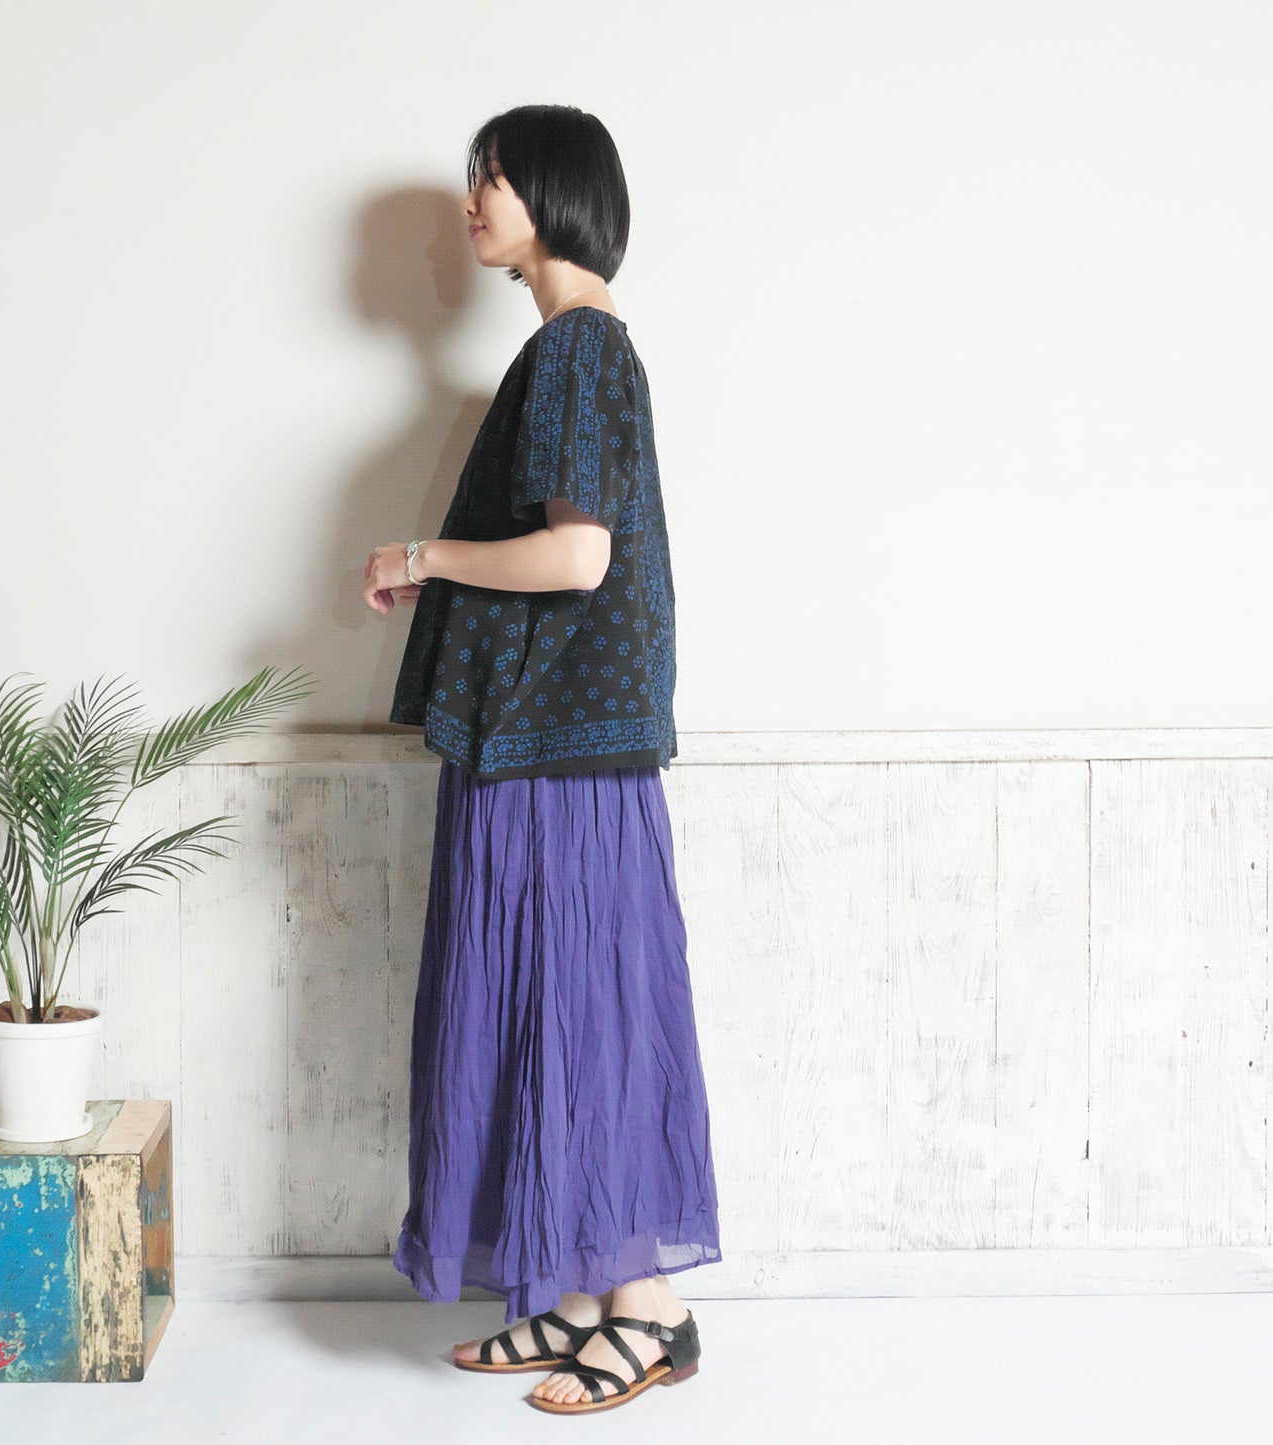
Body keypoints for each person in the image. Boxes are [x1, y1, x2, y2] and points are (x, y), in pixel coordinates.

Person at [362, 103, 720, 1417]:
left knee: (578, 1007)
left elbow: (578, 557)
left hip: (558, 751)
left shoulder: (576, 347)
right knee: (551, 1007)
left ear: (555, 194)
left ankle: (650, 1308)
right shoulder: (574, 349)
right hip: (555, 741)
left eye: (494, 177)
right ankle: (574, 1293)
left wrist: (424, 554)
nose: (474, 201)